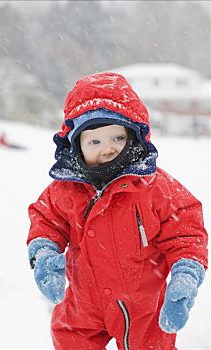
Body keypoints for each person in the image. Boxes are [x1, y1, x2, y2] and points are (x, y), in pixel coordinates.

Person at [27, 72, 208, 350]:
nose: (108, 148)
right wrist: (44, 253)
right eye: (94, 142)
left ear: (133, 135)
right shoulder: (65, 189)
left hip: (142, 307)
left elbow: (186, 232)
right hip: (82, 303)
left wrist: (186, 273)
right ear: (76, 146)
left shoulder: (155, 187)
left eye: (117, 137)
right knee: (69, 341)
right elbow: (46, 220)